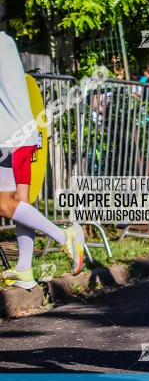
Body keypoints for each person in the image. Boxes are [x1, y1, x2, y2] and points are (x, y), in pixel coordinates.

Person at [0, 31, 85, 288]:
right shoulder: (6, 40)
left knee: (4, 204)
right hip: (23, 135)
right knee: (20, 204)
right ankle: (25, 270)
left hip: (9, 137)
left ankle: (65, 236)